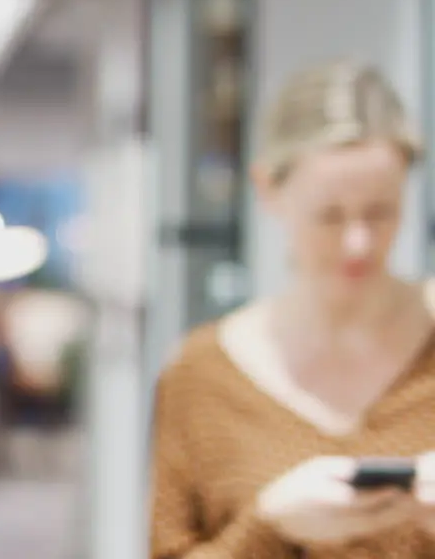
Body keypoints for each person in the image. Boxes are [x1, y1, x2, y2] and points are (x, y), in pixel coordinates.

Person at [149, 60, 435, 557]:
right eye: (329, 215)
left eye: (381, 211)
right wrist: (270, 526)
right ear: (268, 190)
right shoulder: (202, 376)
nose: (357, 243)